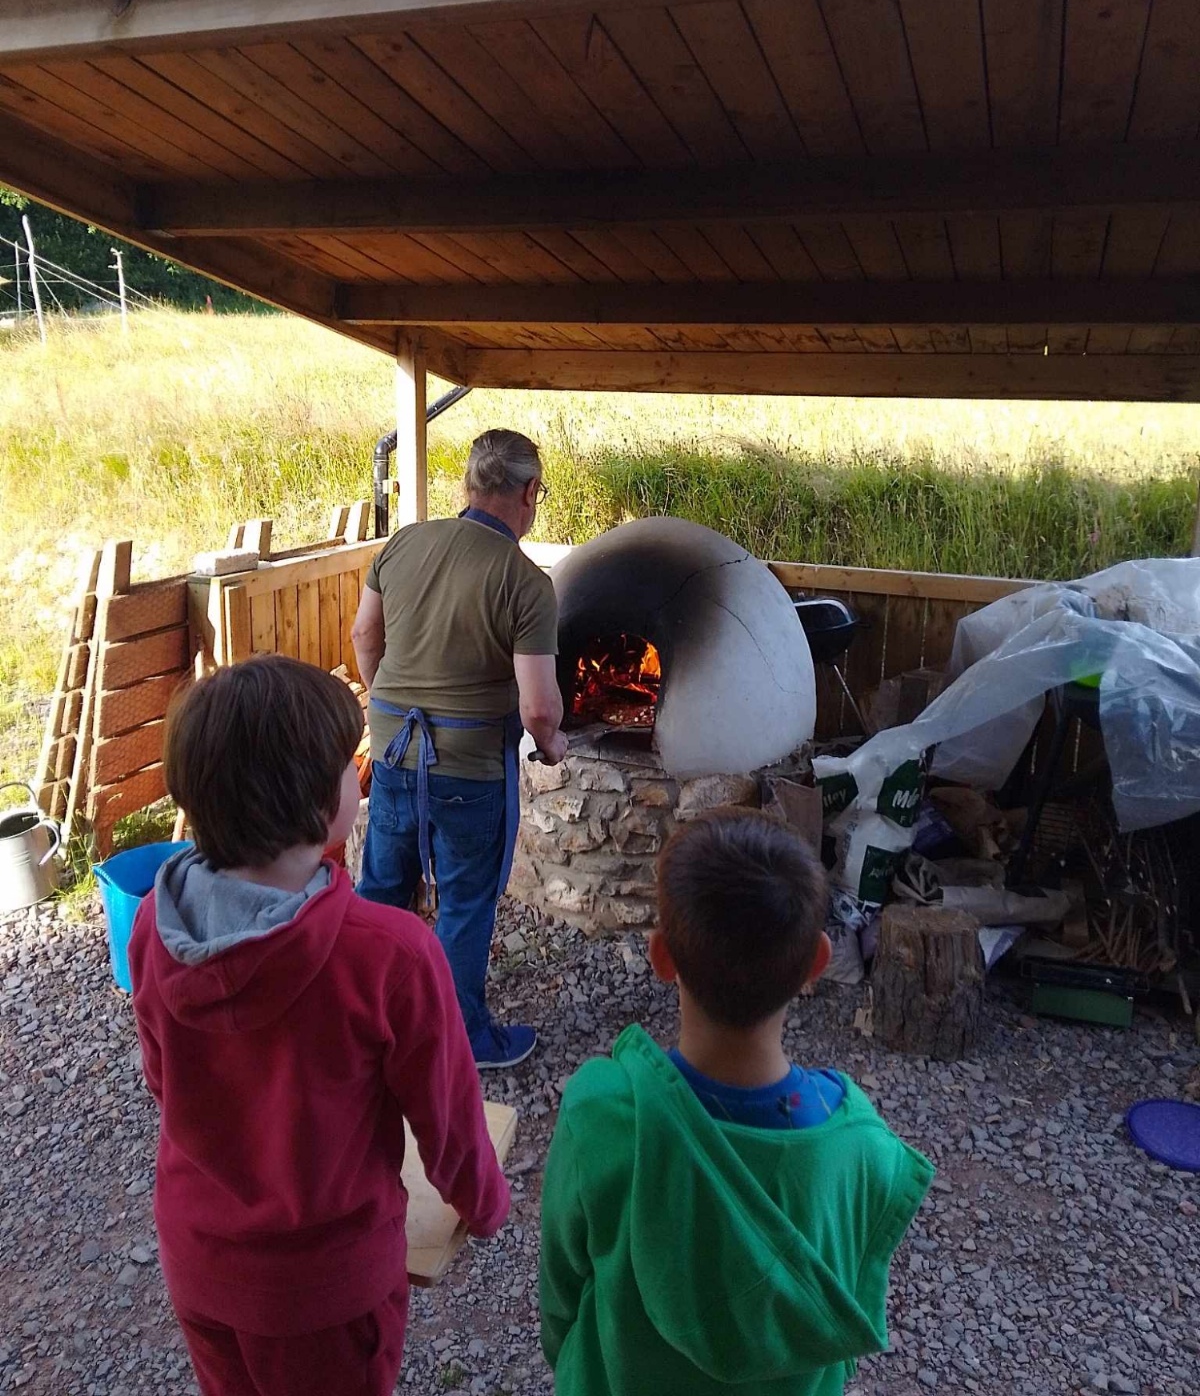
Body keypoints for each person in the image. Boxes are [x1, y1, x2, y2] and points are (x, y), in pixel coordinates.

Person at [129, 656, 509, 1396]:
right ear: (311, 797)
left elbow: (164, 1082)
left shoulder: (154, 923)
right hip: (325, 1294)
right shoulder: (390, 953)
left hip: (199, 1263)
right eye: (346, 764)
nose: (357, 776)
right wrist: (484, 1204)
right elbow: (448, 1117)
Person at [539, 809, 934, 1396]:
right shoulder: (862, 1150)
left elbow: (562, 1292)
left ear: (661, 957)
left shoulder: (605, 1116)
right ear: (817, 963)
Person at [351, 427, 568, 1070]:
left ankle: (358, 1025)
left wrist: (388, 708)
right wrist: (552, 745)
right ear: (529, 492)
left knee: (382, 890)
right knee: (465, 902)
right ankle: (460, 1040)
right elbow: (538, 706)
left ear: (471, 485)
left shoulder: (403, 543)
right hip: (471, 772)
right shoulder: (525, 582)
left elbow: (364, 635)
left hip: (393, 755)